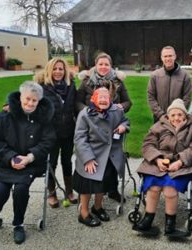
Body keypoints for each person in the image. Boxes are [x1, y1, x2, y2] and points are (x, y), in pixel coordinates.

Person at [0, 81, 56, 249]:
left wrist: (29, 157)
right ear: (20, 97)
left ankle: (18, 224)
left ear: (39, 101)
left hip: (30, 163)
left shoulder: (44, 118)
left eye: (34, 100)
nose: (30, 103)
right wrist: (11, 157)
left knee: (21, 189)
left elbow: (48, 141)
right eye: (27, 99)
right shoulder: (6, 114)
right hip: (6, 163)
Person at [133, 98, 192, 236]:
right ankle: (148, 218)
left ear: (185, 115)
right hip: (158, 163)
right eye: (173, 115)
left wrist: (180, 161)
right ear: (168, 116)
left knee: (170, 190)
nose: (176, 118)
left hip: (181, 165)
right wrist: (157, 159)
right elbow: (148, 144)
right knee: (153, 188)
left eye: (180, 115)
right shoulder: (159, 126)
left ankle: (170, 224)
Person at [76, 52, 132, 202]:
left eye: (106, 64)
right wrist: (87, 113)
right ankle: (93, 189)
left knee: (112, 155)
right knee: (96, 155)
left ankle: (112, 190)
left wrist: (121, 107)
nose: (103, 67)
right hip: (92, 124)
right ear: (95, 65)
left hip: (112, 122)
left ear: (111, 66)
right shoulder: (87, 81)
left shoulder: (118, 81)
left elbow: (128, 102)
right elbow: (78, 101)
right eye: (100, 64)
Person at [73, 87, 130, 227]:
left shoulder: (116, 111)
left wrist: (123, 127)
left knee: (103, 184)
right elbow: (80, 138)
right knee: (87, 185)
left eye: (106, 97)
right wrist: (88, 159)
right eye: (100, 97)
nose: (104, 100)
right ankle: (84, 213)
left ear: (110, 99)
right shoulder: (84, 114)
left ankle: (98, 208)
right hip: (91, 154)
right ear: (93, 99)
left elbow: (126, 121)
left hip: (109, 154)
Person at [34, 58, 78, 208]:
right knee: (51, 162)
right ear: (49, 70)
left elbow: (76, 104)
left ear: (65, 70)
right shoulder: (42, 87)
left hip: (68, 131)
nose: (58, 72)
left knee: (67, 162)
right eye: (55, 69)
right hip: (50, 133)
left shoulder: (71, 85)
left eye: (61, 69)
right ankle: (51, 193)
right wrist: (10, 104)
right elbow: (27, 98)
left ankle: (69, 191)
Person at [147, 46, 192, 122]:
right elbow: (151, 97)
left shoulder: (185, 76)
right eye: (165, 56)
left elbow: (187, 98)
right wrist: (161, 115)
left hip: (177, 120)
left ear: (175, 56)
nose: (168, 59)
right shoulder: (155, 75)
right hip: (159, 119)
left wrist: (176, 115)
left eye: (170, 56)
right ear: (161, 58)